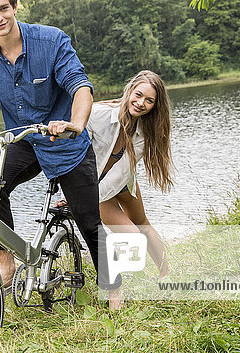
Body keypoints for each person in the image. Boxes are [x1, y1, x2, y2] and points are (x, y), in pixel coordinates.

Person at [0, 0, 119, 303]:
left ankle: (115, 289)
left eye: (3, 8)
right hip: (23, 138)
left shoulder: (50, 41)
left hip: (63, 139)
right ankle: (7, 269)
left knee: (89, 222)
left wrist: (75, 124)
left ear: (14, 6)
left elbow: (81, 87)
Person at [59, 70, 174, 308]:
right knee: (132, 237)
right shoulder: (99, 115)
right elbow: (76, 155)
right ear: (130, 90)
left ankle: (167, 276)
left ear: (155, 105)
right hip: (94, 183)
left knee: (143, 224)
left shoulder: (144, 132)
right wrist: (76, 194)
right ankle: (116, 287)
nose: (141, 103)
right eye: (138, 95)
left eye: (149, 100)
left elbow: (121, 172)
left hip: (119, 181)